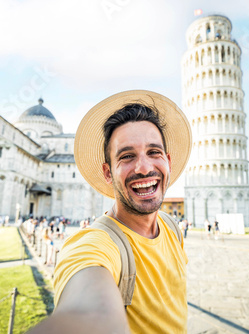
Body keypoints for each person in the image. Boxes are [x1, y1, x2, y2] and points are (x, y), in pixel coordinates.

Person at [29, 90, 192, 333]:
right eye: (127, 156)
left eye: (154, 152)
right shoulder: (93, 244)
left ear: (168, 161)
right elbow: (87, 309)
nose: (144, 168)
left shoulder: (170, 227)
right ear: (107, 173)